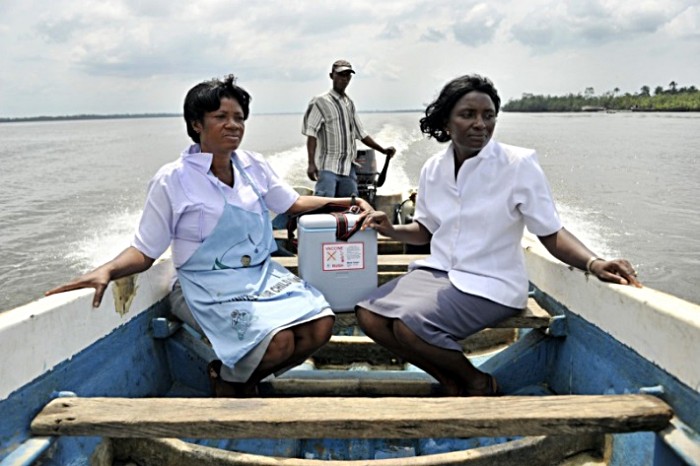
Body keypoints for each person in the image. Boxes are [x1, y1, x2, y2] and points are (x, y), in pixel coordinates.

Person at [46, 74, 373, 397]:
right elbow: (145, 251)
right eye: (221, 117)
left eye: (239, 118)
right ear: (196, 125)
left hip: (259, 277)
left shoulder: (253, 165)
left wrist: (343, 201)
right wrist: (108, 269)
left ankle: (234, 377)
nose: (234, 125)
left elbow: (292, 202)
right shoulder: (172, 179)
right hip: (203, 286)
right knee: (279, 341)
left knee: (320, 326)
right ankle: (232, 381)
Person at [356, 74, 641, 397]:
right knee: (370, 315)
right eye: (468, 115)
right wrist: (390, 228)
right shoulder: (434, 169)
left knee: (409, 327)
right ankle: (450, 380)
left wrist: (593, 262)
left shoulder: (518, 164)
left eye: (488, 116)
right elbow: (426, 230)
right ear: (446, 121)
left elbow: (550, 232)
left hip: (491, 282)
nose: (481, 124)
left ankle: (476, 382)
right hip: (440, 272)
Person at [302, 59, 397, 197]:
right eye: (340, 75)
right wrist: (311, 163)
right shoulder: (320, 102)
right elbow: (312, 134)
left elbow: (362, 134)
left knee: (351, 209)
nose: (344, 79)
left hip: (348, 169)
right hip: (328, 168)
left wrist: (383, 150)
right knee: (325, 206)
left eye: (347, 75)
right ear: (331, 76)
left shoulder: (349, 103)